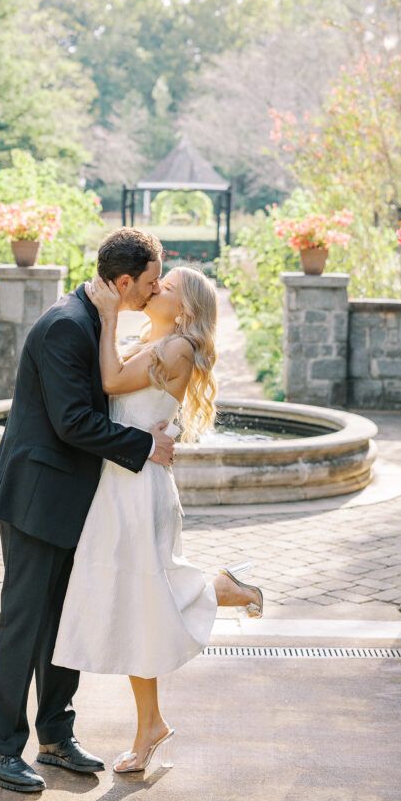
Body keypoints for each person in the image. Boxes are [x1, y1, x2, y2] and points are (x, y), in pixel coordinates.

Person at [0, 228, 176, 794]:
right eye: (150, 281)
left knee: (65, 622)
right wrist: (145, 446)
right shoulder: (66, 325)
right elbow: (72, 422)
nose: (155, 289)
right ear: (123, 281)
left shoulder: (98, 319)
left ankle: (55, 737)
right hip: (37, 499)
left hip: (75, 501)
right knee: (23, 623)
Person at [52, 264, 263, 773]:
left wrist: (108, 315)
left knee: (141, 599)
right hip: (121, 481)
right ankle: (152, 724)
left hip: (140, 490)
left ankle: (220, 589)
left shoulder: (178, 348)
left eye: (165, 287)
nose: (154, 288)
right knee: (136, 603)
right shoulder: (149, 339)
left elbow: (109, 380)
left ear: (185, 307)